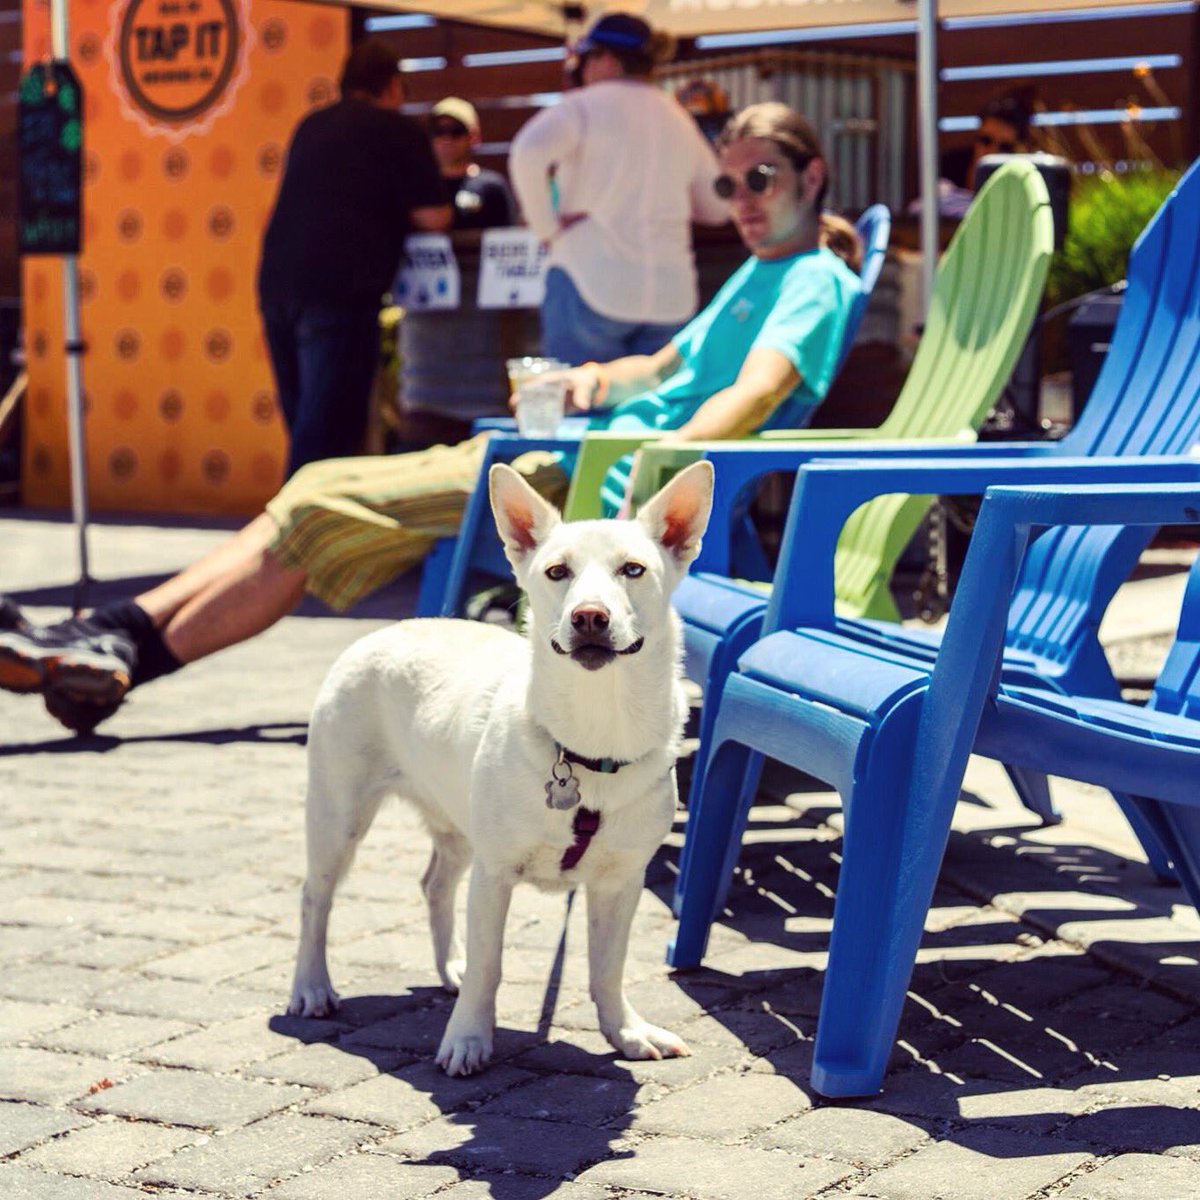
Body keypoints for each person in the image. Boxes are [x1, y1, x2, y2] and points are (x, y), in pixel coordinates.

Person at [0, 102, 861, 737]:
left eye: (761, 179)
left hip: (585, 485)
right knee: (317, 482)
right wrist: (593, 376)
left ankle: (124, 651)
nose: (742, 199)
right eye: (727, 182)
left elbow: (749, 397)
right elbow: (663, 365)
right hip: (562, 445)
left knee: (319, 508)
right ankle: (109, 635)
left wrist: (652, 484)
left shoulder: (812, 281)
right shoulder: (758, 273)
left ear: (813, 177)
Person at [258, 39, 450, 479]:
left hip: (277, 285)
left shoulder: (311, 125)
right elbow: (434, 216)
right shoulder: (397, 130)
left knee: (305, 425)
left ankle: (298, 530)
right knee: (326, 437)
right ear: (393, 86)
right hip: (340, 292)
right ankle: (294, 541)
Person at [508, 12, 729, 365]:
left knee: (580, 413)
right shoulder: (678, 119)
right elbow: (718, 209)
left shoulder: (583, 106)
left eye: (585, 59)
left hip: (590, 282)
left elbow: (526, 152)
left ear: (606, 58)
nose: (581, 69)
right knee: (654, 416)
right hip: (668, 295)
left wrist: (546, 229)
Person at [429, 97, 518, 230]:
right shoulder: (421, 187)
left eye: (456, 131)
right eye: (439, 131)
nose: (447, 139)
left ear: (473, 136)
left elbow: (508, 237)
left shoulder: (492, 186)